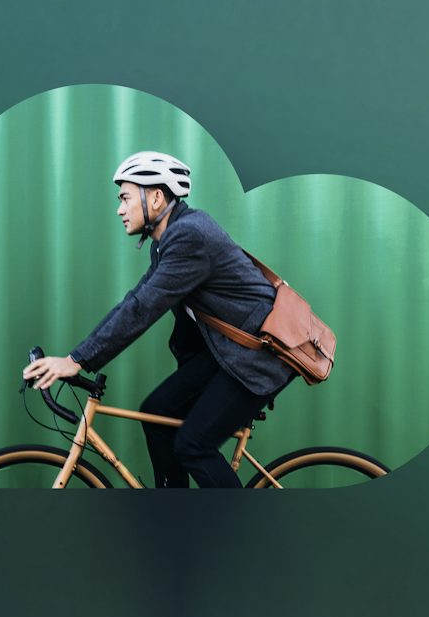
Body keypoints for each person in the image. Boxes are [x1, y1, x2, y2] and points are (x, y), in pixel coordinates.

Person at [22, 151, 294, 488]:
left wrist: (77, 360)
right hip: (229, 352)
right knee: (157, 413)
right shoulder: (168, 241)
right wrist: (77, 356)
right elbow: (135, 300)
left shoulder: (189, 236)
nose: (120, 209)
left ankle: (237, 536)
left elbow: (144, 308)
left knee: (193, 444)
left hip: (258, 356)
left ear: (155, 197)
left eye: (124, 198)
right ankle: (172, 519)